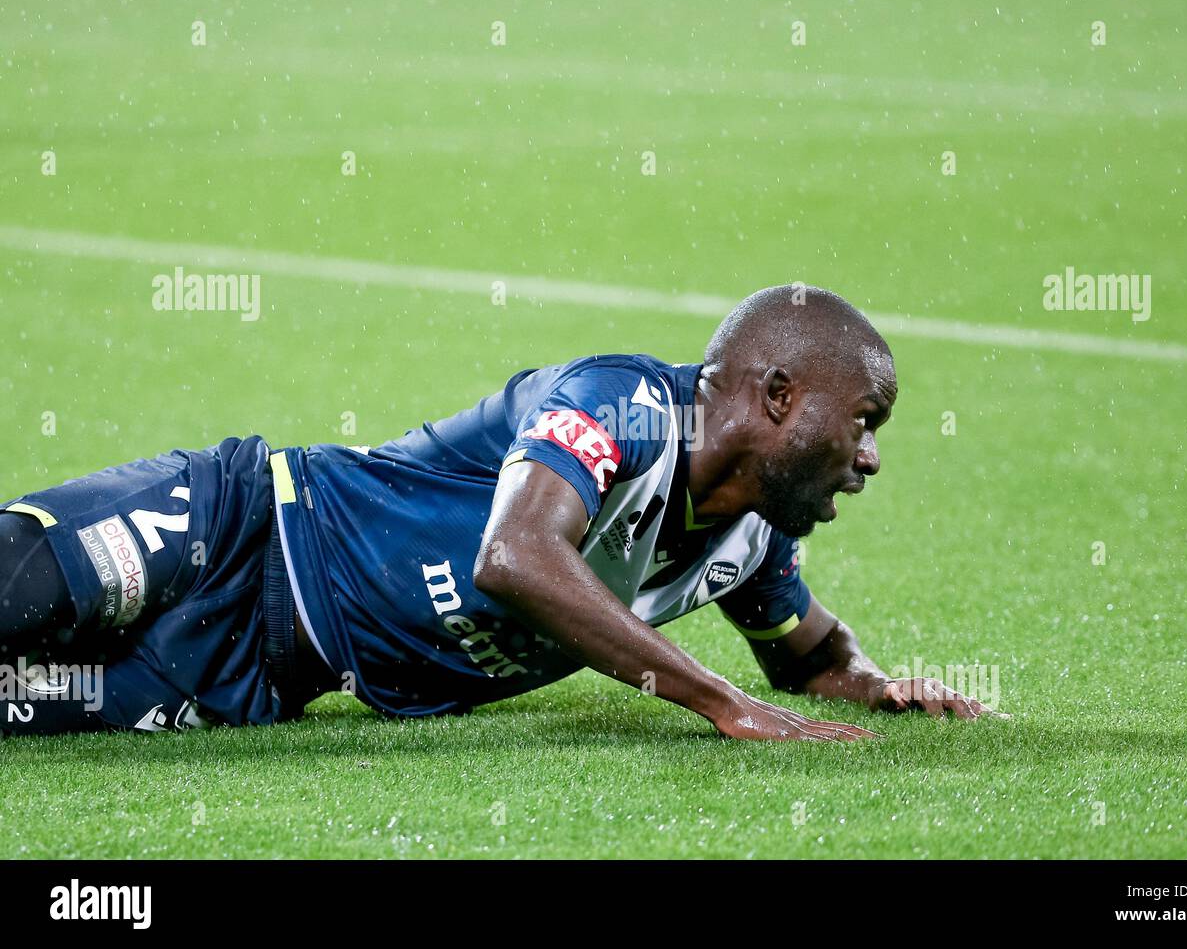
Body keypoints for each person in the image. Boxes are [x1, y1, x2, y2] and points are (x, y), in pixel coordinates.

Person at [0, 284, 1003, 739]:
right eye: (864, 419)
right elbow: (517, 554)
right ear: (778, 394)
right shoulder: (622, 404)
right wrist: (719, 701)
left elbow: (808, 655)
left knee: (21, 704)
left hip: (252, 673)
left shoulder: (749, 544)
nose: (868, 456)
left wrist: (879, 687)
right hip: (230, 525)